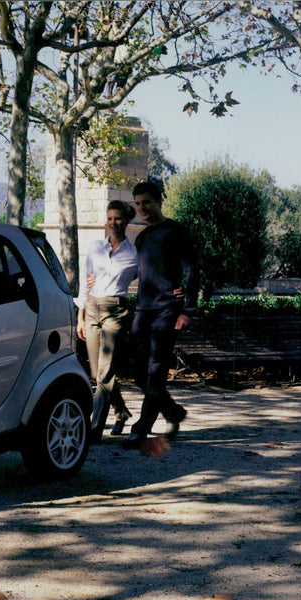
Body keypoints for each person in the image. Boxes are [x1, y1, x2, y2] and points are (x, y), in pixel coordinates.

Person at [122, 181, 199, 450]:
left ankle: (140, 429)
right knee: (135, 368)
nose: (142, 208)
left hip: (168, 309)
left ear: (159, 201)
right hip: (143, 310)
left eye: (146, 202)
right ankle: (172, 411)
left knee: (156, 370)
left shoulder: (177, 231)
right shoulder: (142, 237)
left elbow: (192, 270)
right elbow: (137, 271)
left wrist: (187, 309)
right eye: (138, 204)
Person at [76, 200, 138, 444]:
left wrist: (175, 290)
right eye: (110, 218)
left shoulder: (134, 254)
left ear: (126, 221)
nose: (113, 223)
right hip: (92, 308)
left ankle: (95, 429)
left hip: (116, 310)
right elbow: (85, 281)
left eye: (118, 218)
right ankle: (121, 411)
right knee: (97, 372)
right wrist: (81, 316)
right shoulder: (96, 248)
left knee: (105, 372)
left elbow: (151, 279)